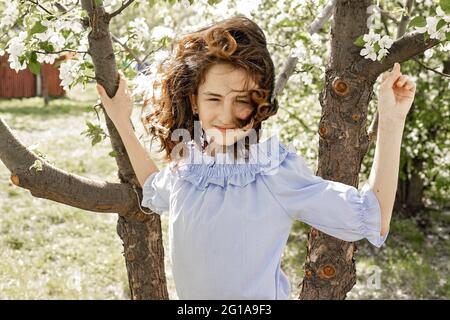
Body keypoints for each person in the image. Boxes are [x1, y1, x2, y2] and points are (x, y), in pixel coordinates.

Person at [96, 15, 415, 300]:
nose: (226, 115)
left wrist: (391, 119)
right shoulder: (189, 166)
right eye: (214, 99)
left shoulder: (272, 171)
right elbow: (153, 186)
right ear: (195, 102)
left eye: (242, 101)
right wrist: (122, 120)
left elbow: (372, 215)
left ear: (259, 104)